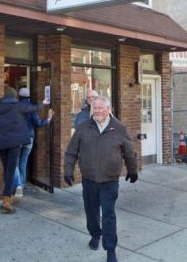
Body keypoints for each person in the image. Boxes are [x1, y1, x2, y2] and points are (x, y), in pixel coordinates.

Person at [64, 96, 137, 262]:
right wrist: (68, 170)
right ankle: (95, 234)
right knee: (91, 212)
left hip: (110, 180)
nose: (97, 111)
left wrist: (132, 170)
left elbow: (129, 151)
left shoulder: (118, 128)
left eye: (100, 108)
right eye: (94, 108)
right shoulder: (83, 128)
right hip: (89, 179)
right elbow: (71, 151)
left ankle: (110, 249)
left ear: (108, 109)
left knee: (109, 214)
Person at [0, 86, 47, 214]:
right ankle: (6, 201)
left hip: (1, 144)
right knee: (11, 170)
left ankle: (6, 198)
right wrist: (43, 102)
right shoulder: (18, 106)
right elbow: (34, 108)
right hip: (14, 144)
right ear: (14, 96)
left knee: (7, 170)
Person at [13, 87, 54, 198]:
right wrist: (48, 119)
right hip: (29, 138)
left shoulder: (15, 107)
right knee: (23, 162)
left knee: (15, 163)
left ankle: (17, 186)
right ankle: (21, 185)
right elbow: (38, 123)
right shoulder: (32, 108)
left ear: (19, 96)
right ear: (29, 97)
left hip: (17, 138)